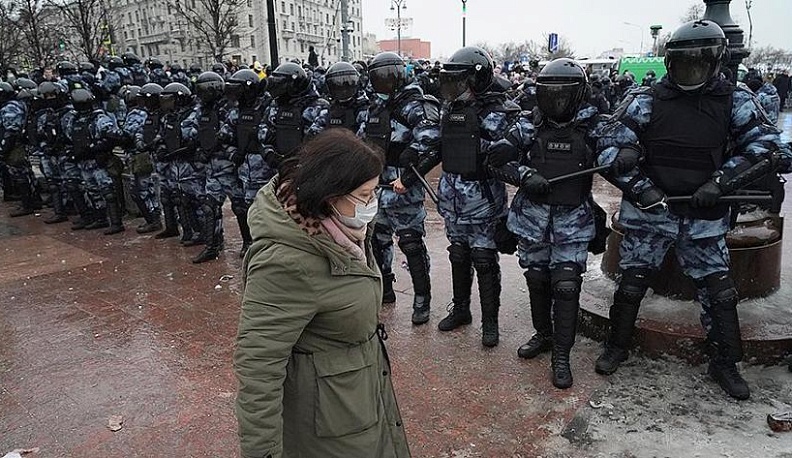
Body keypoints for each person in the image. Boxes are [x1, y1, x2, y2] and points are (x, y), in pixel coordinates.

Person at [594, 20, 790, 400]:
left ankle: (725, 363)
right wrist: (634, 175)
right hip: (651, 211)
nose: (691, 71)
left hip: (703, 214)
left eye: (699, 63)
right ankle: (616, 347)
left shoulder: (736, 100)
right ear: (670, 62)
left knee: (719, 293)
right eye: (684, 63)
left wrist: (721, 182)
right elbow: (605, 143)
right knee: (631, 284)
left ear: (716, 61)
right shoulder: (647, 99)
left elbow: (769, 149)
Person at [234, 128, 409, 458]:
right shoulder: (288, 262)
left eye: (374, 193)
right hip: (327, 424)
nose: (372, 204)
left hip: (358, 396)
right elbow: (259, 366)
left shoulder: (343, 229)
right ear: (331, 194)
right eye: (365, 195)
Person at [498, 58, 603, 388]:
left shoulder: (594, 127)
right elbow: (498, 157)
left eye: (563, 95)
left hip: (573, 221)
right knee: (538, 280)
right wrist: (525, 175)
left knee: (567, 286)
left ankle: (562, 354)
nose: (556, 101)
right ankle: (543, 335)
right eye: (549, 94)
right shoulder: (527, 125)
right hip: (533, 221)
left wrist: (623, 157)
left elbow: (620, 155)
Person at [429, 46, 524, 348]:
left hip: (482, 200)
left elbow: (514, 149)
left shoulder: (500, 111)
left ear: (478, 79)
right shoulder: (449, 109)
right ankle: (460, 310)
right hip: (452, 197)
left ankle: (490, 322)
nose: (455, 89)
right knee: (458, 254)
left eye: (461, 82)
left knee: (484, 260)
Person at [364, 51, 441, 325]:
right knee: (377, 237)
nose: (381, 84)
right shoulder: (375, 107)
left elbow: (431, 141)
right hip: (377, 184)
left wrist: (408, 176)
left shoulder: (415, 105)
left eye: (386, 78)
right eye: (377, 79)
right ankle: (385, 287)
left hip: (402, 185)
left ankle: (422, 297)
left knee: (410, 241)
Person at [193, 71, 243, 263]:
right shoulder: (202, 110)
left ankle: (248, 244)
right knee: (209, 207)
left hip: (229, 167)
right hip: (212, 168)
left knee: (240, 208)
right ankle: (212, 246)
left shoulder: (229, 109)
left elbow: (233, 136)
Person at [219, 68, 270, 256]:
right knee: (241, 207)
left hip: (265, 171)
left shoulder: (267, 108)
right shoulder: (236, 112)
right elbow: (224, 138)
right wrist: (233, 154)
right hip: (242, 170)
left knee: (266, 211)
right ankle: (248, 242)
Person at [67, 88, 125, 235]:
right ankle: (100, 219)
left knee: (108, 192)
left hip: (98, 162)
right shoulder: (74, 120)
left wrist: (96, 149)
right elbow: (70, 138)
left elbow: (113, 137)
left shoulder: (99, 118)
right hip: (84, 163)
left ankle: (116, 222)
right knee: (93, 192)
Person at [313, 61, 368, 134]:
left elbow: (365, 137)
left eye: (347, 86)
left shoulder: (363, 111)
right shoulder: (326, 112)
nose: (343, 90)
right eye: (338, 86)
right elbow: (313, 135)